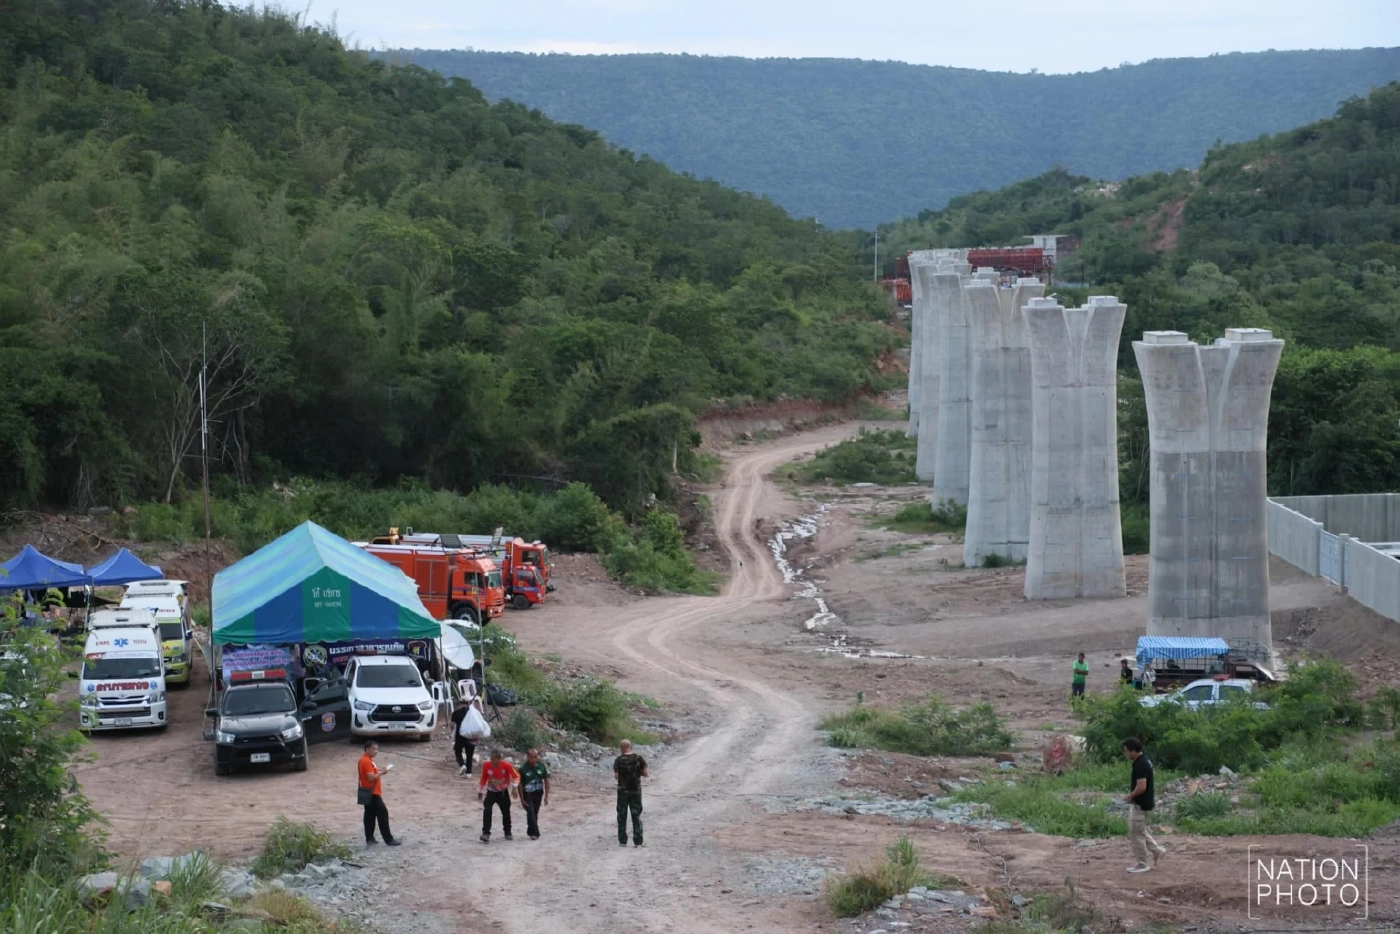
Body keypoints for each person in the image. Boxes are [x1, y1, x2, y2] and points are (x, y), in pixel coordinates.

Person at [1122, 737, 1166, 873]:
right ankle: (1157, 850)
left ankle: (1142, 863)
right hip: (1145, 803)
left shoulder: (1140, 765)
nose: (1126, 754)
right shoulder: (1145, 760)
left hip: (1140, 803)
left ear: (1133, 750)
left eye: (1127, 751)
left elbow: (1141, 786)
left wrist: (1131, 796)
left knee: (1136, 833)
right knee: (1138, 830)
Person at [358, 742, 400, 847]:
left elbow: (370, 773)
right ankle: (388, 839)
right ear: (367, 749)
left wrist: (379, 770)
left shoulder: (365, 760)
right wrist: (381, 773)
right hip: (373, 793)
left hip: (367, 791)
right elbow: (371, 777)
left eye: (377, 749)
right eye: (373, 749)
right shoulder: (367, 761)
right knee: (382, 814)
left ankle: (370, 838)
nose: (376, 751)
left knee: (369, 815)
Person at [477, 748, 520, 843]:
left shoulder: (507, 766)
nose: (492, 761)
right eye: (491, 759)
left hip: (503, 793)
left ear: (499, 759)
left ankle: (507, 832)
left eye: (494, 759)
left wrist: (515, 787)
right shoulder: (487, 765)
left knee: (506, 812)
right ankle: (486, 833)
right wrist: (480, 789)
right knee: (487, 810)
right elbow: (484, 777)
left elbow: (516, 776)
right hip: (491, 792)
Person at [613, 739, 648, 847]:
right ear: (631, 746)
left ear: (621, 748)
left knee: (622, 815)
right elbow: (646, 773)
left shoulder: (618, 760)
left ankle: (622, 841)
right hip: (635, 791)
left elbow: (616, 776)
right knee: (636, 815)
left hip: (622, 792)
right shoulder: (639, 758)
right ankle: (638, 841)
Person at [518, 748, 551, 840]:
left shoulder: (542, 766)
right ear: (528, 757)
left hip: (538, 793)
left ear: (538, 757)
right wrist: (522, 799)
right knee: (531, 812)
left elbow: (546, 780)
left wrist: (546, 796)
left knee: (535, 813)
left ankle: (530, 831)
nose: (533, 759)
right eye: (531, 757)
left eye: (535, 757)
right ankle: (535, 833)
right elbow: (519, 784)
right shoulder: (523, 769)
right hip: (528, 794)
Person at [449, 699, 480, 775]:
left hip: (460, 736)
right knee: (469, 754)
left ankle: (462, 765)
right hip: (471, 736)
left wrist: (451, 733)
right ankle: (469, 773)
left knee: (458, 751)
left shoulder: (456, 713)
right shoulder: (473, 713)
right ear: (468, 703)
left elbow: (452, 725)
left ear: (460, 703)